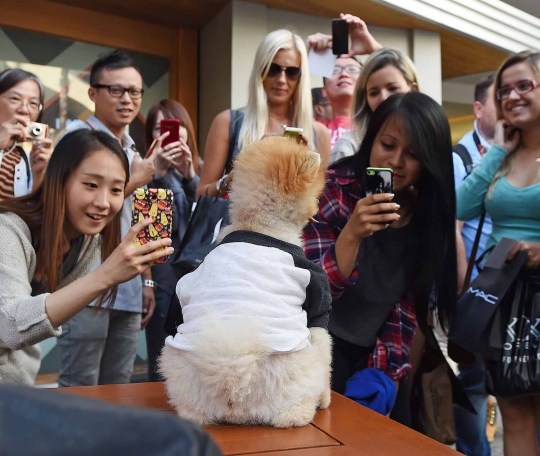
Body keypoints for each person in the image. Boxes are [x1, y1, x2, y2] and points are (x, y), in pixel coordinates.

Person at [304, 91, 457, 424]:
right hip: (311, 345)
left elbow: (406, 310)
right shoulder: (332, 189)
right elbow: (311, 292)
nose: (397, 161)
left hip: (373, 354)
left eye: (413, 154)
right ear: (372, 139)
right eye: (388, 145)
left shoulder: (424, 215)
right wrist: (353, 233)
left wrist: (388, 376)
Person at [0, 129, 172, 385]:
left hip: (18, 388)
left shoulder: (86, 241)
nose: (104, 202)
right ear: (59, 179)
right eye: (91, 185)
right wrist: (105, 275)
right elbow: (12, 326)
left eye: (116, 189)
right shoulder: (8, 230)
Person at [456, 50, 540, 456]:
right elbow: (460, 207)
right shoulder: (503, 156)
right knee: (515, 415)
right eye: (504, 90)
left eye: (524, 85)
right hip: (503, 295)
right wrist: (495, 152)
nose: (512, 96)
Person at [57, 50, 157, 387]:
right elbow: (69, 205)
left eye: (134, 92)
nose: (127, 100)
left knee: (119, 388)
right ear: (93, 93)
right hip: (85, 279)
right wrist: (135, 180)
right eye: (116, 90)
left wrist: (146, 280)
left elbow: (137, 222)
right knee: (80, 386)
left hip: (128, 284)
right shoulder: (75, 139)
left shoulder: (133, 149)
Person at [197, 29, 331, 198]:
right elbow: (201, 195)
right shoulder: (228, 122)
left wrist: (306, 171)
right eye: (273, 69)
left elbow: (321, 203)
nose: (282, 79)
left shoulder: (318, 133)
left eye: (291, 72)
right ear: (260, 70)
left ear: (300, 77)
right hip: (238, 223)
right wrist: (234, 177)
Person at [453, 74, 497, 456]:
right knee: (472, 384)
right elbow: (456, 223)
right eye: (499, 99)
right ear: (479, 109)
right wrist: (463, 288)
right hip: (477, 291)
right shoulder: (462, 156)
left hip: (512, 287)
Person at [144, 99, 201, 381]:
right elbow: (151, 229)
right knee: (162, 359)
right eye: (160, 128)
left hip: (196, 276)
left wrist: (190, 174)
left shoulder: (199, 171)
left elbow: (207, 219)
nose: (167, 136)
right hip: (163, 276)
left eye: (174, 128)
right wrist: (157, 174)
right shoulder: (144, 172)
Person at [329, 47, 420, 165]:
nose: (383, 98)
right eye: (374, 93)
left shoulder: (428, 140)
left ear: (413, 90)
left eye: (392, 88)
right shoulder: (349, 146)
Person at [307, 14, 382, 148]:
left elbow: (400, 88)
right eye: (335, 71)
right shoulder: (312, 129)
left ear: (365, 84)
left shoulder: (378, 126)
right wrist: (305, 53)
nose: (344, 74)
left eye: (352, 69)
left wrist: (374, 49)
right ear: (324, 90)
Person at [0, 68, 53, 199]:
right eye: (15, 99)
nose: (24, 110)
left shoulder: (32, 154)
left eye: (33, 103)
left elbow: (35, 213)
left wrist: (39, 174)